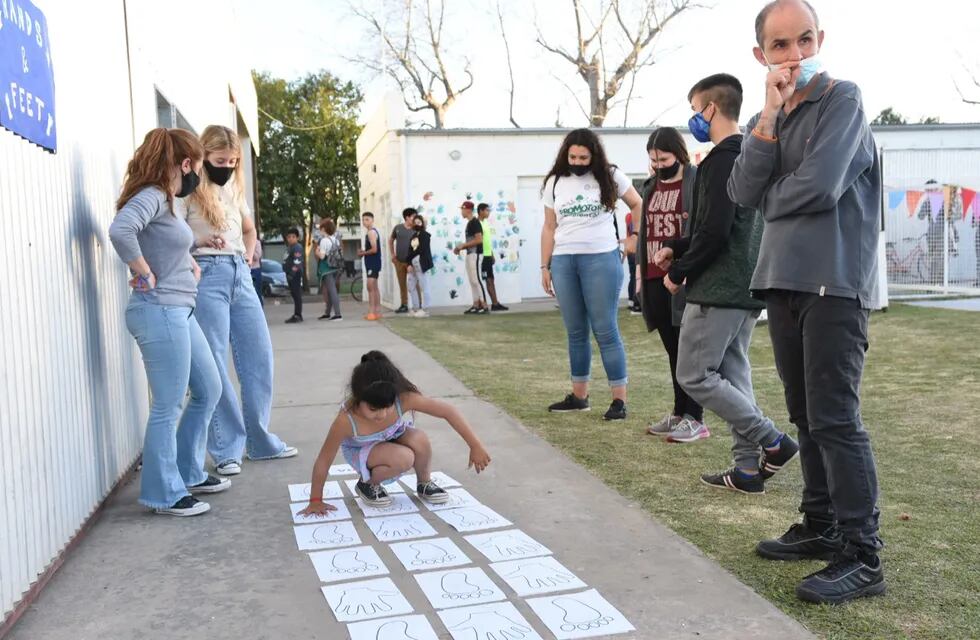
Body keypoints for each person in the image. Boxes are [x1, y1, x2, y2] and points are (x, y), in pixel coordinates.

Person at [728, 0, 884, 604]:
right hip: (783, 281)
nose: (795, 55)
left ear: (821, 39)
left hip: (834, 281)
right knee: (804, 416)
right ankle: (820, 525)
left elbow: (820, 187)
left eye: (804, 40)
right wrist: (766, 114)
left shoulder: (842, 98)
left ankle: (863, 554)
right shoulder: (767, 121)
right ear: (761, 55)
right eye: (781, 45)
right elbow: (743, 190)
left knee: (836, 419)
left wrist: (772, 192)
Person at [655, 74, 800, 494]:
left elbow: (715, 232)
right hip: (745, 285)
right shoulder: (752, 155)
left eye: (695, 109)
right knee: (734, 376)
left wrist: (680, 270)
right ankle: (747, 471)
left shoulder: (720, 159)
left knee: (695, 375)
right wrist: (678, 247)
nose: (694, 119)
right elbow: (724, 226)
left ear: (710, 109)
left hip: (718, 286)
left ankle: (772, 440)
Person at [108, 128, 228, 517]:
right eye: (196, 164)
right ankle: (164, 492)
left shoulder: (167, 203)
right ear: (187, 163)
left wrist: (191, 257)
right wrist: (142, 272)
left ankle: (189, 471)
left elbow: (161, 242)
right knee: (168, 404)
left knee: (208, 389)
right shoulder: (154, 195)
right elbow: (121, 229)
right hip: (159, 310)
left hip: (179, 310)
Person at [178, 125, 297, 476]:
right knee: (214, 361)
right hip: (206, 274)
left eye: (232, 161)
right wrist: (198, 245)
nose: (226, 166)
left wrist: (247, 256)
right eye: (219, 160)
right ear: (204, 155)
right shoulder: (187, 189)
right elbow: (172, 237)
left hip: (239, 274)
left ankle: (260, 442)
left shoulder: (232, 186)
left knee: (258, 357)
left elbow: (249, 229)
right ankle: (227, 448)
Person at [297, 351, 492, 511]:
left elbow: (448, 411)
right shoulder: (346, 420)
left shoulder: (404, 398)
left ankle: (424, 483)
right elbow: (324, 459)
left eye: (387, 407)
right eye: (373, 409)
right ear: (358, 399)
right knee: (404, 457)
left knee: (419, 438)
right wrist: (315, 500)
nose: (381, 414)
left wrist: (475, 445)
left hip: (393, 436)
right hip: (364, 451)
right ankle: (368, 483)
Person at [540, 128, 642, 421]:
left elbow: (637, 203)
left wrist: (633, 237)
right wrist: (544, 266)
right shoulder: (555, 181)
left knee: (605, 330)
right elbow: (549, 226)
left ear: (594, 155)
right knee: (575, 332)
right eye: (572, 156)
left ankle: (619, 402)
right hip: (563, 261)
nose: (578, 161)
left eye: (584, 157)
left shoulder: (610, 175)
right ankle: (579, 397)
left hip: (601, 259)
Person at [637, 127, 706, 440]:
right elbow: (644, 232)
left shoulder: (696, 180)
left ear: (678, 154)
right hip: (654, 276)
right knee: (672, 349)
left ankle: (695, 416)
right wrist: (641, 273)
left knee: (688, 349)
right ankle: (679, 412)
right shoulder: (650, 186)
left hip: (682, 276)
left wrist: (685, 267)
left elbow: (701, 229)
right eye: (653, 160)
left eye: (663, 158)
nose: (658, 165)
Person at [453, 201, 489, 314]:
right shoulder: (470, 223)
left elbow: (479, 240)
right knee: (472, 281)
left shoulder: (475, 222)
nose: (461, 211)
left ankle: (484, 305)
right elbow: (472, 240)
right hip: (470, 254)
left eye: (462, 209)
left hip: (476, 254)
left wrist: (463, 245)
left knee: (477, 279)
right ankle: (476, 305)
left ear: (468, 210)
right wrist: (461, 248)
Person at [478, 203, 509, 311]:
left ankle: (495, 303)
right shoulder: (478, 223)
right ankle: (489, 304)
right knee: (487, 280)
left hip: (488, 255)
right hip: (481, 257)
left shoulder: (486, 222)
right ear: (481, 211)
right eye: (487, 210)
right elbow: (479, 241)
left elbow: (486, 240)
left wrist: (491, 254)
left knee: (491, 279)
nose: (489, 212)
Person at [389, 208, 418, 313]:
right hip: (399, 261)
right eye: (413, 216)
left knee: (415, 284)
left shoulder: (416, 229)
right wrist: (393, 255)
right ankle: (404, 305)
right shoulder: (398, 228)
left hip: (412, 263)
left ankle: (418, 305)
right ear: (407, 217)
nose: (415, 219)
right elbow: (391, 240)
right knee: (402, 284)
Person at [315, 218, 343, 321]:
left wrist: (317, 251)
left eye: (320, 228)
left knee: (332, 291)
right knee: (332, 290)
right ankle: (327, 312)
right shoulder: (335, 239)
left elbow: (322, 256)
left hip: (327, 268)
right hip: (336, 267)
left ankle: (338, 314)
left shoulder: (324, 241)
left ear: (324, 229)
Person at [406, 214, 434, 318]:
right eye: (415, 222)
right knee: (411, 286)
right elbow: (410, 250)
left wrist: (412, 258)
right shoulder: (413, 236)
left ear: (422, 223)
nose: (417, 224)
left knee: (424, 286)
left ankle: (425, 309)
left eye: (419, 222)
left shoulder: (425, 235)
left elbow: (421, 249)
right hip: (413, 263)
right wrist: (409, 263)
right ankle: (415, 308)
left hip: (421, 262)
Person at [358, 211, 383, 320]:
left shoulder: (371, 233)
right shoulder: (370, 232)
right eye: (363, 220)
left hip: (373, 263)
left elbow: (374, 249)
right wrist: (364, 251)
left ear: (372, 220)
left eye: (367, 219)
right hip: (372, 262)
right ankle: (376, 311)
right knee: (374, 287)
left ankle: (372, 312)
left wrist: (363, 253)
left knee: (370, 286)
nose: (365, 222)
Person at [283, 228, 304, 323]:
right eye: (289, 237)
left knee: (297, 294)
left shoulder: (297, 247)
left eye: (293, 237)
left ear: (297, 238)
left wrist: (292, 274)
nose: (291, 239)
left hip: (295, 274)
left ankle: (298, 315)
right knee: (294, 294)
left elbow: (297, 262)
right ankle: (296, 314)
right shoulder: (290, 247)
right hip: (290, 274)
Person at [624, 210, 641, 314]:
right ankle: (636, 305)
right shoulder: (635, 217)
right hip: (635, 249)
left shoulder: (628, 216)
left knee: (633, 276)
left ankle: (631, 302)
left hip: (630, 250)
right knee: (637, 276)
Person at [250, 236, 264, 305]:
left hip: (255, 270)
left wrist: (249, 246)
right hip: (245, 270)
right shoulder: (240, 241)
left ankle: (260, 311)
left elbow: (257, 257)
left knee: (257, 293)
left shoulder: (257, 242)